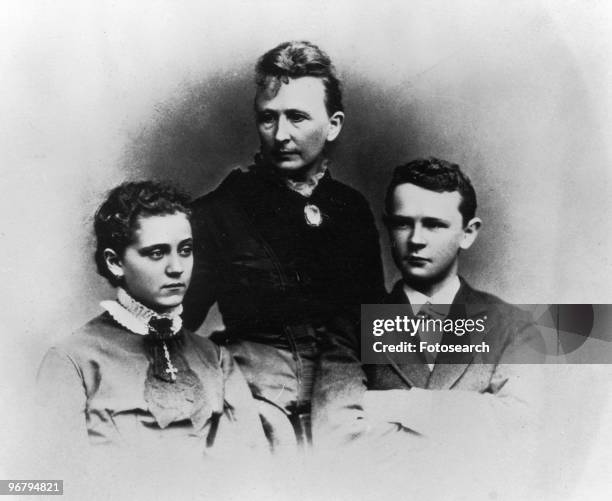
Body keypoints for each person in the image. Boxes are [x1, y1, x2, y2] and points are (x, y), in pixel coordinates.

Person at [182, 41, 385, 445]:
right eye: (268, 118)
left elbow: (374, 326)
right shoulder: (217, 212)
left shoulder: (350, 208)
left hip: (345, 409)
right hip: (254, 414)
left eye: (297, 117)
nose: (281, 135)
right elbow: (176, 325)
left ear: (334, 124)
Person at [312, 157, 544, 449]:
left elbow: (521, 430)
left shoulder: (513, 327)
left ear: (468, 233)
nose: (416, 239)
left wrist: (398, 405)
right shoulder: (349, 328)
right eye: (402, 224)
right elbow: (337, 438)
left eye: (434, 225)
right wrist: (469, 421)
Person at [37, 181, 266, 461]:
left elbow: (252, 470)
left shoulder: (216, 358)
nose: (176, 268)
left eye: (185, 250)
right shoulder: (72, 361)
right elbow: (54, 481)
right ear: (115, 262)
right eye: (156, 253)